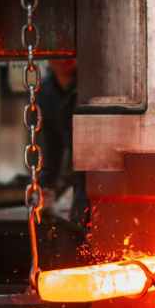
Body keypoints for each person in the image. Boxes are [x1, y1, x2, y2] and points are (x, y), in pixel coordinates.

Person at [38, 58, 88, 227]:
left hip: (92, 169)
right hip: (77, 175)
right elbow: (52, 144)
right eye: (56, 54)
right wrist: (46, 185)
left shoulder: (90, 86)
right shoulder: (46, 92)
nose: (63, 59)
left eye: (69, 53)